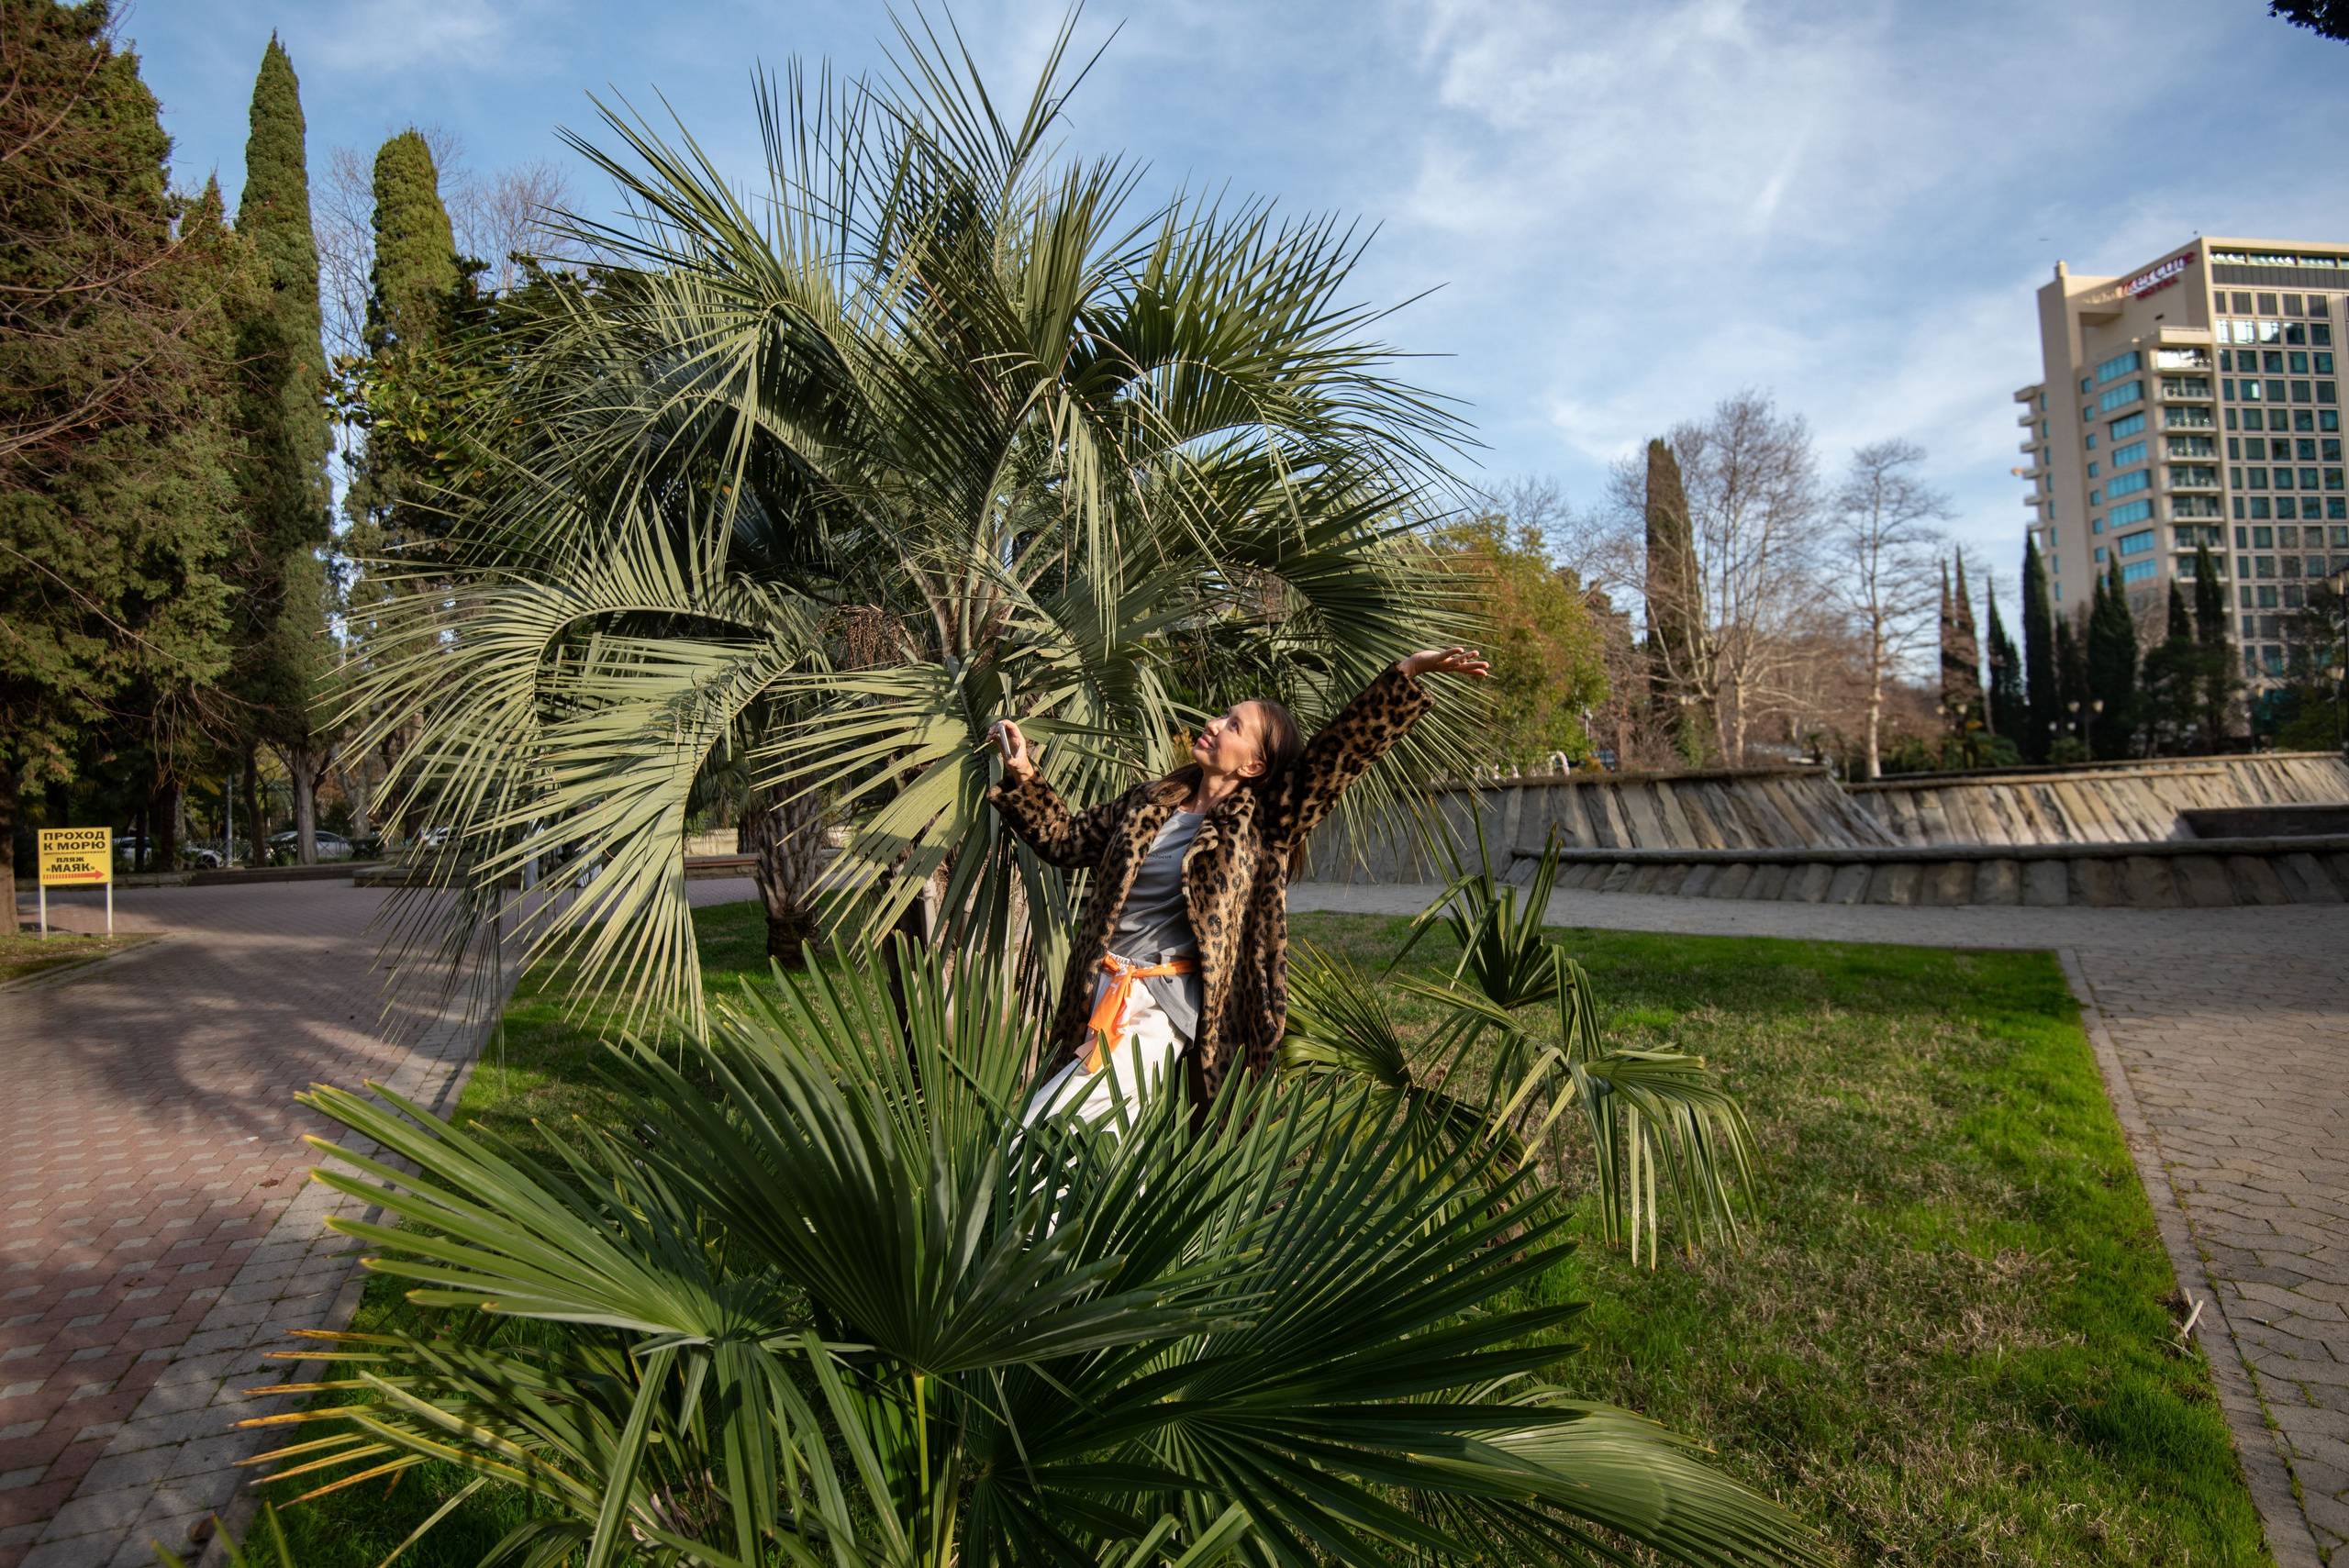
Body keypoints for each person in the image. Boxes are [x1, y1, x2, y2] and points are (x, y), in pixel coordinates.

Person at [985, 648, 1490, 1125]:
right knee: (1103, 1148)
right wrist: (1024, 772)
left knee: (1047, 1136)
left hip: (1159, 1004)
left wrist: (1405, 675)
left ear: (1253, 765)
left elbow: (1337, 762)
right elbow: (1065, 841)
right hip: (1095, 992)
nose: (1212, 725)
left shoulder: (1265, 823)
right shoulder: (1149, 801)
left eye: (1233, 726)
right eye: (1221, 716)